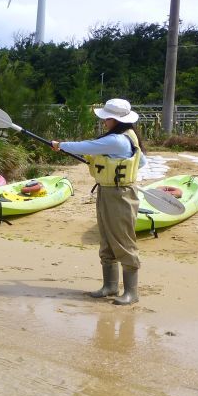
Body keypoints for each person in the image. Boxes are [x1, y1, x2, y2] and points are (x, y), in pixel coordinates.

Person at [51, 98, 147, 305]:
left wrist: (60, 145)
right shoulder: (126, 136)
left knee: (123, 240)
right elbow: (142, 161)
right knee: (106, 239)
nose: (104, 122)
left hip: (121, 195)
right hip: (107, 191)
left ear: (116, 120)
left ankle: (131, 292)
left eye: (107, 118)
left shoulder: (118, 140)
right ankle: (110, 286)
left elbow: (88, 146)